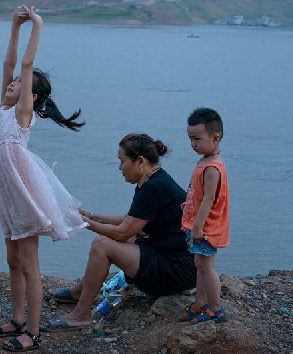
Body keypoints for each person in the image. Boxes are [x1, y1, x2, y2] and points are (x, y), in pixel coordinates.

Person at [0, 6, 87, 353]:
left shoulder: (22, 115)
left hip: (24, 196)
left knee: (30, 266)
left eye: (19, 84)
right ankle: (17, 320)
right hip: (6, 197)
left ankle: (32, 331)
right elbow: (9, 64)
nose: (12, 83)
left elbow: (26, 65)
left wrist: (37, 27)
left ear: (31, 97)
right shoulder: (3, 108)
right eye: (12, 82)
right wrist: (14, 27)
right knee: (13, 262)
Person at [44, 133, 196, 331]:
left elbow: (122, 233)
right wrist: (91, 216)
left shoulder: (154, 187)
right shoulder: (153, 179)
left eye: (122, 161)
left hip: (175, 271)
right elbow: (131, 220)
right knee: (109, 241)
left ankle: (81, 315)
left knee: (102, 245)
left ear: (140, 161)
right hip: (169, 258)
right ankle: (78, 292)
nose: (119, 167)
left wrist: (85, 223)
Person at [178, 107, 229, 323]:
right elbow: (199, 194)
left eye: (197, 139)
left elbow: (209, 199)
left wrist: (198, 227)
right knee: (199, 264)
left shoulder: (212, 168)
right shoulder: (204, 161)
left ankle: (216, 308)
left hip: (205, 228)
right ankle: (200, 302)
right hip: (197, 223)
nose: (193, 144)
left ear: (215, 138)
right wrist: (188, 205)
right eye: (190, 139)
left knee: (207, 267)